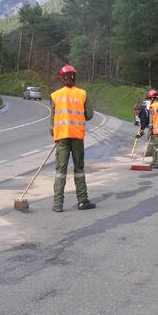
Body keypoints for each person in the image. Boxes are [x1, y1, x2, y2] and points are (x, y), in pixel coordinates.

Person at [50, 64, 96, 212]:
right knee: (79, 169)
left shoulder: (55, 95)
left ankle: (58, 204)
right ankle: (82, 201)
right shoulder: (82, 94)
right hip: (77, 137)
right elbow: (89, 115)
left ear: (61, 78)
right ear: (74, 77)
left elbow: (52, 124)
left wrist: (57, 134)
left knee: (60, 170)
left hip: (62, 138)